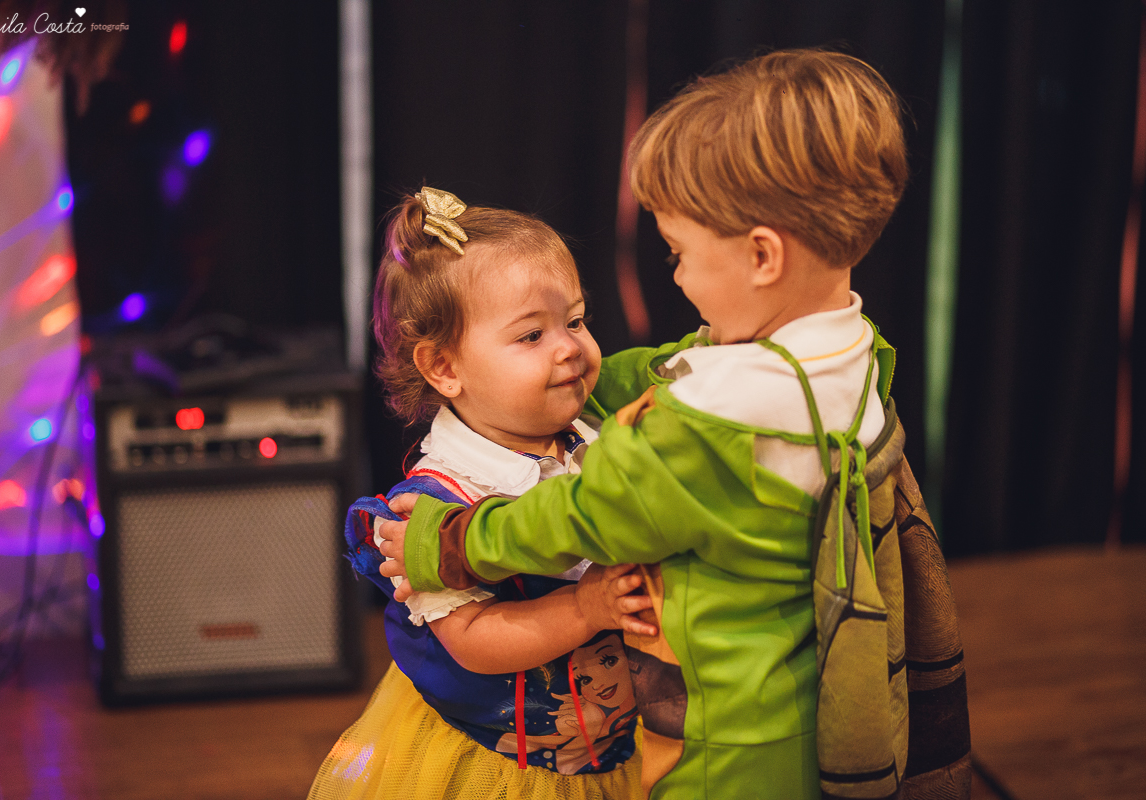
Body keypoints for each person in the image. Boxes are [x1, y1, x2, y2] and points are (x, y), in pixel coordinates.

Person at [379, 50, 922, 800]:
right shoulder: (851, 353)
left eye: (680, 253)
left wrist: (450, 542)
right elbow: (677, 363)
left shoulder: (708, 426)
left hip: (714, 738)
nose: (675, 277)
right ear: (443, 368)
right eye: (533, 335)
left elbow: (575, 516)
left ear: (762, 256)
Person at [307, 188, 652, 800]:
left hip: (615, 739)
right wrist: (585, 609)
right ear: (444, 369)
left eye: (574, 320)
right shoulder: (434, 508)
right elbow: (472, 641)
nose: (569, 346)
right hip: (505, 767)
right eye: (531, 336)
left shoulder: (599, 432)